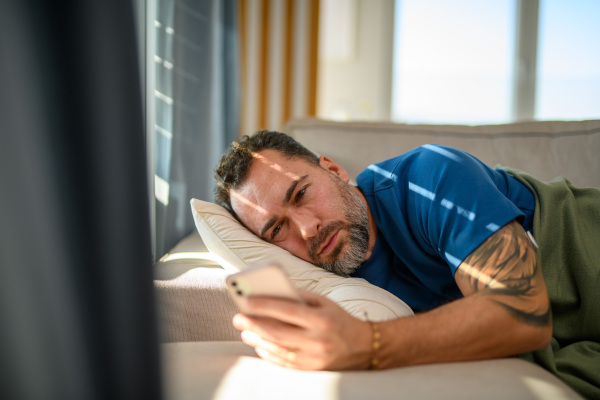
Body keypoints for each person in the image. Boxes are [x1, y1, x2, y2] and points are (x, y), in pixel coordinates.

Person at [214, 130, 600, 397]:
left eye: (301, 194)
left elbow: (521, 311)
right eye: (277, 229)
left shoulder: (429, 174)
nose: (308, 228)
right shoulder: (326, 276)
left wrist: (367, 344)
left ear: (334, 170)